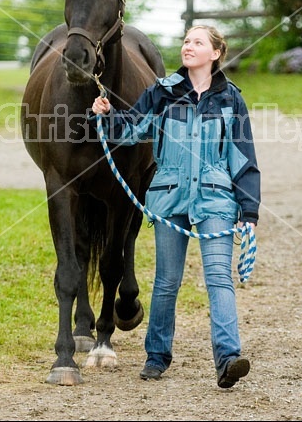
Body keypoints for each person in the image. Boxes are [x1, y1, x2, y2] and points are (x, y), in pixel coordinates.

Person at [91, 25, 261, 389]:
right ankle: (156, 356)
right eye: (185, 40)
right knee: (167, 281)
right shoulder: (163, 93)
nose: (188, 46)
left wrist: (249, 212)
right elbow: (131, 130)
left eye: (197, 42)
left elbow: (244, 160)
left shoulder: (231, 100)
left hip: (215, 199)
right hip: (170, 197)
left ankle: (228, 359)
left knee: (219, 280)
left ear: (215, 53)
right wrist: (105, 115)